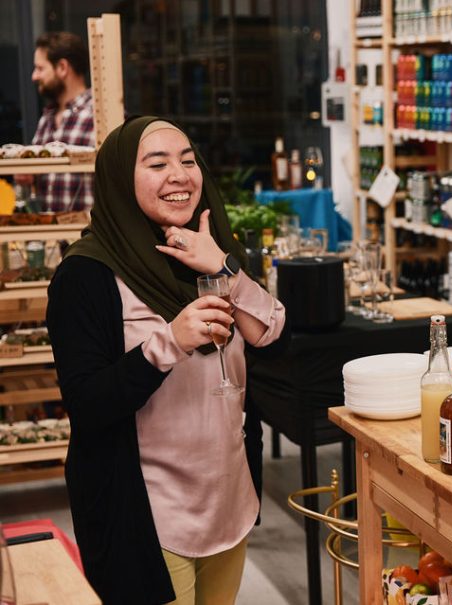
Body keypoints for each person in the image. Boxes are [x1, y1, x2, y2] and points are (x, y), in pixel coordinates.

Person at [47, 116, 289, 605]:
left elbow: (272, 337)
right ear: (120, 180)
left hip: (227, 499)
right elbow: (88, 403)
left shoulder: (210, 249)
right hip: (147, 512)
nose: (180, 175)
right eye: (157, 163)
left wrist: (223, 266)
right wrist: (169, 343)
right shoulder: (85, 276)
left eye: (187, 159)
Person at [14, 32, 96, 211]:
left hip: (89, 236)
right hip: (51, 236)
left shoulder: (100, 115)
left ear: (62, 67)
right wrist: (29, 176)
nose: (34, 76)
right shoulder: (47, 117)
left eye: (40, 68)